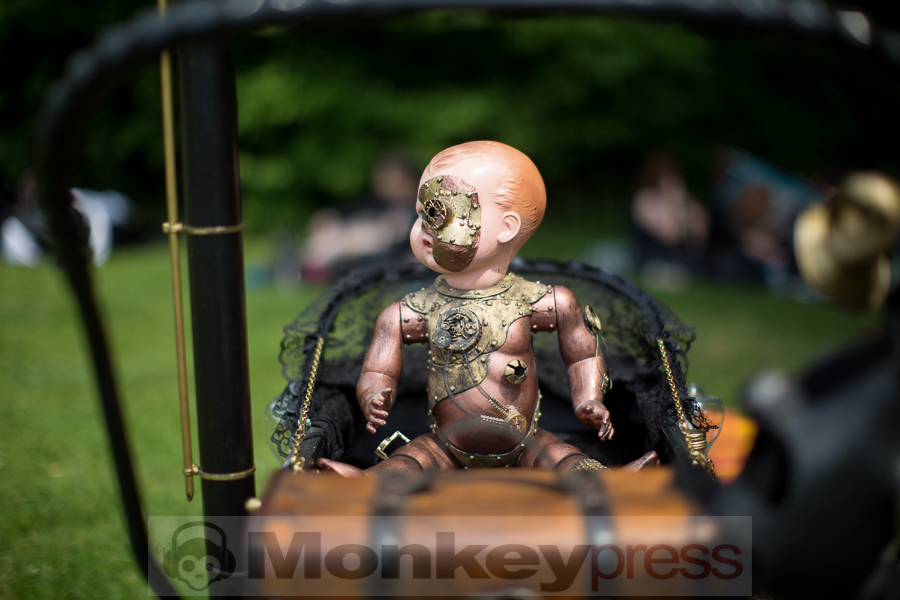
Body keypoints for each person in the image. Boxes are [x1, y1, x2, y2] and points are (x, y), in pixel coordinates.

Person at [318, 141, 657, 475]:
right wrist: (374, 391)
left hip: (523, 440)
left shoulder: (544, 301)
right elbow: (379, 367)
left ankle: (605, 479)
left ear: (507, 228)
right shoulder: (410, 311)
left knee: (559, 455)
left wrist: (589, 398)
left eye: (440, 213)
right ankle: (366, 481)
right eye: (422, 215)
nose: (423, 230)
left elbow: (582, 353)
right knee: (412, 458)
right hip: (446, 443)